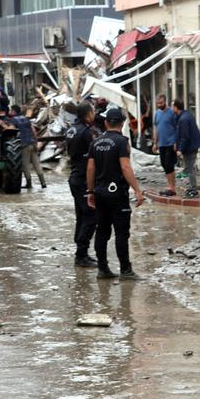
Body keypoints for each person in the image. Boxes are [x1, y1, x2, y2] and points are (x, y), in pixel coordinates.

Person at [86, 107, 144, 280]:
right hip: (117, 194)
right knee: (121, 232)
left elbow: (90, 169)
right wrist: (137, 189)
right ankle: (125, 270)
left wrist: (90, 191)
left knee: (102, 230)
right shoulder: (121, 142)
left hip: (100, 193)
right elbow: (125, 167)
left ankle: (103, 269)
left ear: (105, 123)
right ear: (122, 123)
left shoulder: (95, 142)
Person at [65, 102, 100, 268]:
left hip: (74, 176)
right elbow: (92, 159)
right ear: (88, 114)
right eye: (93, 111)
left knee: (81, 215)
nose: (94, 114)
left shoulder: (71, 129)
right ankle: (81, 254)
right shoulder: (86, 132)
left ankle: (82, 252)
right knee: (91, 215)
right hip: (83, 178)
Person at [3, 104, 46, 189]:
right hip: (32, 143)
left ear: (14, 111)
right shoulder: (25, 118)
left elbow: (11, 130)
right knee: (37, 164)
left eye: (11, 110)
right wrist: (36, 142)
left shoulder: (14, 120)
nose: (10, 112)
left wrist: (3, 125)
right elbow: (33, 130)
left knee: (25, 165)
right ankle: (43, 183)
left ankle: (29, 184)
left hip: (24, 145)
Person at [173, 99, 200, 199]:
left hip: (190, 147)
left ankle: (194, 190)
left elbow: (185, 136)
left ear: (176, 107)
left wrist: (180, 149)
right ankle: (191, 186)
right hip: (192, 145)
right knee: (188, 168)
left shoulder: (183, 119)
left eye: (172, 106)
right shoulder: (186, 115)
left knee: (190, 169)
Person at [153, 94, 179, 196]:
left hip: (171, 143)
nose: (159, 105)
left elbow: (177, 127)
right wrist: (155, 143)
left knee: (169, 165)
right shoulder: (156, 114)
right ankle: (170, 186)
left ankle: (172, 188)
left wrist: (176, 142)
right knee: (164, 165)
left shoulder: (172, 112)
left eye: (161, 103)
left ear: (165, 102)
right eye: (158, 103)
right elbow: (157, 129)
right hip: (161, 144)